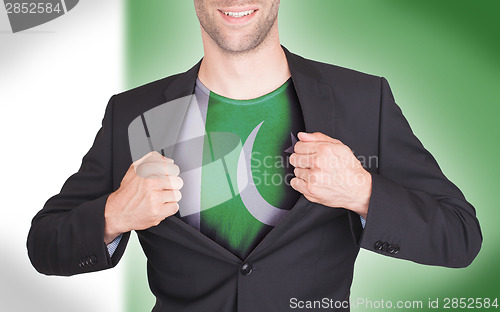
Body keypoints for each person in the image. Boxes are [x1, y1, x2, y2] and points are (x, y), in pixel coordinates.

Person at [27, 1, 482, 311]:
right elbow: (44, 245)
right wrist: (114, 214)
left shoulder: (362, 100)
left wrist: (363, 192)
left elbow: (460, 236)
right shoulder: (135, 113)